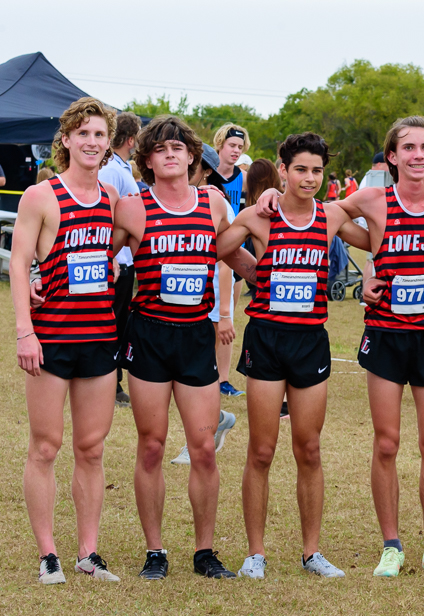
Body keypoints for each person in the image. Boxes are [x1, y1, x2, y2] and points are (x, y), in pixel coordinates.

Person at [220, 132, 369, 579]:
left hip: (310, 342)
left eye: (317, 171)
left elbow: (380, 228)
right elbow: (221, 246)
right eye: (300, 169)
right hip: (266, 339)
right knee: (262, 450)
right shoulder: (258, 216)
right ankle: (255, 553)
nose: (309, 178)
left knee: (309, 448)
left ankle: (311, 552)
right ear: (282, 170)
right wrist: (253, 271)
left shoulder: (331, 215)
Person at [115, 115, 255, 580]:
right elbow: (99, 258)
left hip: (196, 334)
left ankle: (205, 551)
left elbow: (232, 255)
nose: (171, 153)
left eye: (179, 146)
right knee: (152, 446)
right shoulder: (133, 207)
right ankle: (155, 552)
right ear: (147, 160)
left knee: (203, 447)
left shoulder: (213, 202)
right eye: (160, 148)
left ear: (193, 155)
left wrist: (271, 279)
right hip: (150, 335)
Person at [341, 116, 424, 578]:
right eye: (408, 147)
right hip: (387, 335)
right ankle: (391, 545)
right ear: (391, 156)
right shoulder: (374, 197)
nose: (418, 155)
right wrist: (371, 258)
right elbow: (328, 217)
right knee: (388, 442)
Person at [12, 97, 122, 584]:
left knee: (92, 448)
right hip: (51, 338)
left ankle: (88, 552)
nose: (92, 143)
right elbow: (18, 265)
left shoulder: (114, 199)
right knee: (45, 446)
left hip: (99, 337)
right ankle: (47, 554)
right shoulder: (41, 196)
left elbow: (117, 253)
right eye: (84, 134)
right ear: (67, 140)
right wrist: (24, 331)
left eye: (100, 135)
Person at [169, 144, 239, 466]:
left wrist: (224, 313)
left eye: (194, 164)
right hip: (177, 307)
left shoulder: (215, 203)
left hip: (209, 301)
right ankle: (218, 420)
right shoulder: (171, 200)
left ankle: (199, 437)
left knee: (202, 379)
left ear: (206, 171)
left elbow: (227, 264)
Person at [98, 111, 142, 407]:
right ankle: (110, 383)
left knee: (120, 320)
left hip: (125, 261)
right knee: (113, 321)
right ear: (130, 139)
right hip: (117, 260)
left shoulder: (123, 169)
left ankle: (112, 380)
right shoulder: (113, 170)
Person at [208, 123, 251, 397]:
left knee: (228, 317)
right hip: (207, 253)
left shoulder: (244, 179)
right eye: (232, 146)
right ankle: (204, 372)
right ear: (220, 145)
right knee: (204, 318)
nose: (236, 151)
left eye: (240, 147)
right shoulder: (206, 174)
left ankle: (223, 378)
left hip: (234, 254)